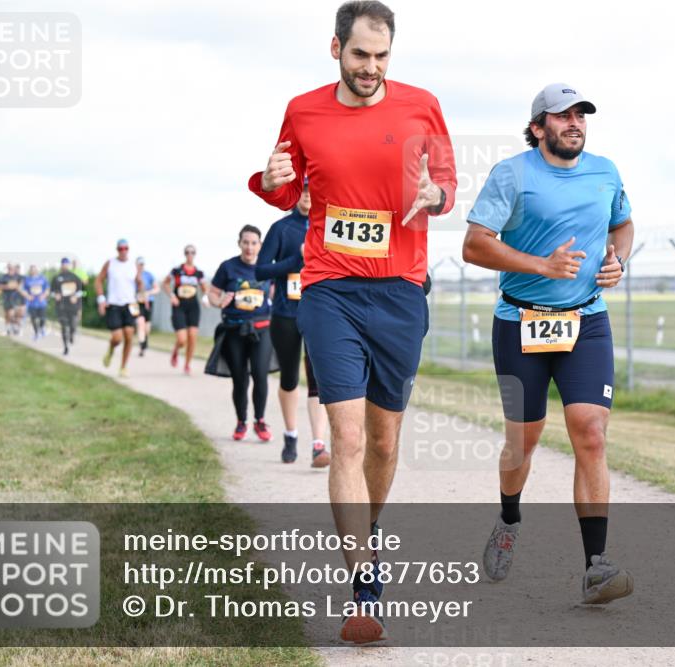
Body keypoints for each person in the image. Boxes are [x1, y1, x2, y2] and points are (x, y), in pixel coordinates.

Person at [249, 0, 456, 644]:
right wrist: (271, 181)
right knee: (346, 439)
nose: (371, 68)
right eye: (360, 54)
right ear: (335, 47)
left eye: (382, 56)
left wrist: (435, 195)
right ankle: (362, 583)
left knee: (384, 442)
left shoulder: (422, 105)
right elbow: (283, 189)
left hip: (399, 291)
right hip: (330, 288)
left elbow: (447, 184)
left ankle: (369, 527)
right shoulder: (303, 110)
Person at [462, 83, 636, 606]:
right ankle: (510, 517)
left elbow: (623, 225)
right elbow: (474, 245)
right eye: (562, 116)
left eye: (581, 114)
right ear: (538, 127)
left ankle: (596, 567)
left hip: (586, 321)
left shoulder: (605, 171)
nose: (575, 122)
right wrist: (542, 265)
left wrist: (618, 261)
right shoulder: (512, 174)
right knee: (524, 440)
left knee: (591, 433)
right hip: (521, 322)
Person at [258, 181, 331, 467]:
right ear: (296, 195)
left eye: (313, 193)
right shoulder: (281, 229)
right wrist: (295, 259)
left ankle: (318, 445)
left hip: (320, 313)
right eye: (303, 193)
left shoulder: (327, 226)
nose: (308, 199)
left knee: (318, 379)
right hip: (286, 314)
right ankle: (290, 435)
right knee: (289, 377)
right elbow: (261, 269)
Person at [207, 225, 296, 441]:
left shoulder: (268, 269)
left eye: (253, 243)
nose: (249, 247)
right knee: (240, 379)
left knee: (260, 374)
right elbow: (213, 293)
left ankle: (260, 421)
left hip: (262, 328)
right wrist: (219, 301)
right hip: (235, 329)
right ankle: (241, 421)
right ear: (239, 243)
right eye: (245, 242)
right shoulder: (228, 267)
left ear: (260, 245)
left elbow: (278, 292)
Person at [95, 239, 141, 378]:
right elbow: (98, 281)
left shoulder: (134, 265)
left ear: (128, 249)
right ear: (117, 250)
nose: (123, 251)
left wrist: (141, 294)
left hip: (130, 304)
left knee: (129, 335)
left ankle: (123, 367)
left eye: (125, 248)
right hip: (113, 304)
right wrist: (101, 299)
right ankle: (111, 349)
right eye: (120, 248)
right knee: (117, 338)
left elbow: (140, 283)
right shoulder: (110, 264)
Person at [165, 245, 210, 375]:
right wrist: (172, 296)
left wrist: (205, 297)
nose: (190, 254)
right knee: (182, 339)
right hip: (179, 305)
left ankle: (187, 364)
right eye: (188, 252)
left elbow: (204, 287)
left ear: (195, 254)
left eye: (192, 252)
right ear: (184, 254)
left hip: (193, 306)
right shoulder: (177, 270)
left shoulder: (199, 273)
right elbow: (165, 283)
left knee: (192, 336)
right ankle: (176, 350)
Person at [51, 257, 85, 355]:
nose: (65, 265)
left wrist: (75, 296)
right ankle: (66, 347)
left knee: (73, 324)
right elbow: (52, 292)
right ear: (61, 265)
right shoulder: (56, 278)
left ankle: (72, 334)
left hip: (73, 306)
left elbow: (82, 291)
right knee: (64, 326)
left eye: (66, 264)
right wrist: (55, 295)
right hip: (61, 306)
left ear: (69, 265)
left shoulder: (75, 277)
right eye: (63, 264)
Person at [136, 256, 159, 356]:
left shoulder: (148, 275)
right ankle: (141, 346)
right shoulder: (133, 275)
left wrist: (149, 293)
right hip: (137, 303)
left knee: (147, 327)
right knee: (140, 323)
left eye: (142, 264)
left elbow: (157, 288)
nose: (140, 266)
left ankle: (145, 341)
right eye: (139, 264)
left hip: (148, 303)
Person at [20, 265, 50, 340]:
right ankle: (36, 333)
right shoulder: (27, 279)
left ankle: (41, 328)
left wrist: (43, 296)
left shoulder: (42, 278)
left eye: (34, 269)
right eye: (31, 270)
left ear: (37, 270)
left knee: (42, 318)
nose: (33, 271)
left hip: (41, 302)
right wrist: (27, 296)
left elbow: (47, 289)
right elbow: (22, 289)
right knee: (33, 319)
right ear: (30, 271)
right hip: (32, 303)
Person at [0, 263, 24, 336]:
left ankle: (15, 327)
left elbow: (21, 284)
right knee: (7, 315)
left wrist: (17, 286)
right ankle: (8, 329)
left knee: (13, 314)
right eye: (9, 268)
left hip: (16, 298)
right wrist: (7, 287)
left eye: (12, 268)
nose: (11, 269)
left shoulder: (18, 277)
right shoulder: (4, 277)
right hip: (6, 297)